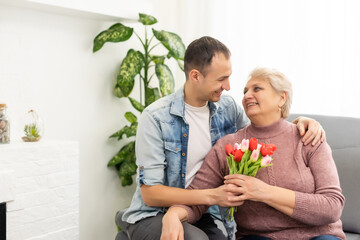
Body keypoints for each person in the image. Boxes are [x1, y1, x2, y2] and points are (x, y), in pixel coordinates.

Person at [120, 37, 325, 240]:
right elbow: (151, 193)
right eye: (220, 79)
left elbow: (259, 136)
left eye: (228, 77)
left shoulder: (228, 108)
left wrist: (299, 122)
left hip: (203, 212)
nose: (227, 86)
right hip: (155, 213)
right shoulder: (156, 117)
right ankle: (127, 227)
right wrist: (212, 196)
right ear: (195, 76)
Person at [160, 67, 345, 240]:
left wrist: (263, 192)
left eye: (257, 88)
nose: (247, 95)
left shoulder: (308, 138)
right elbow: (197, 198)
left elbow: (332, 207)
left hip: (318, 235)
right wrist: (173, 215)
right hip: (258, 237)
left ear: (282, 98)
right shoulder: (229, 146)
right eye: (244, 91)